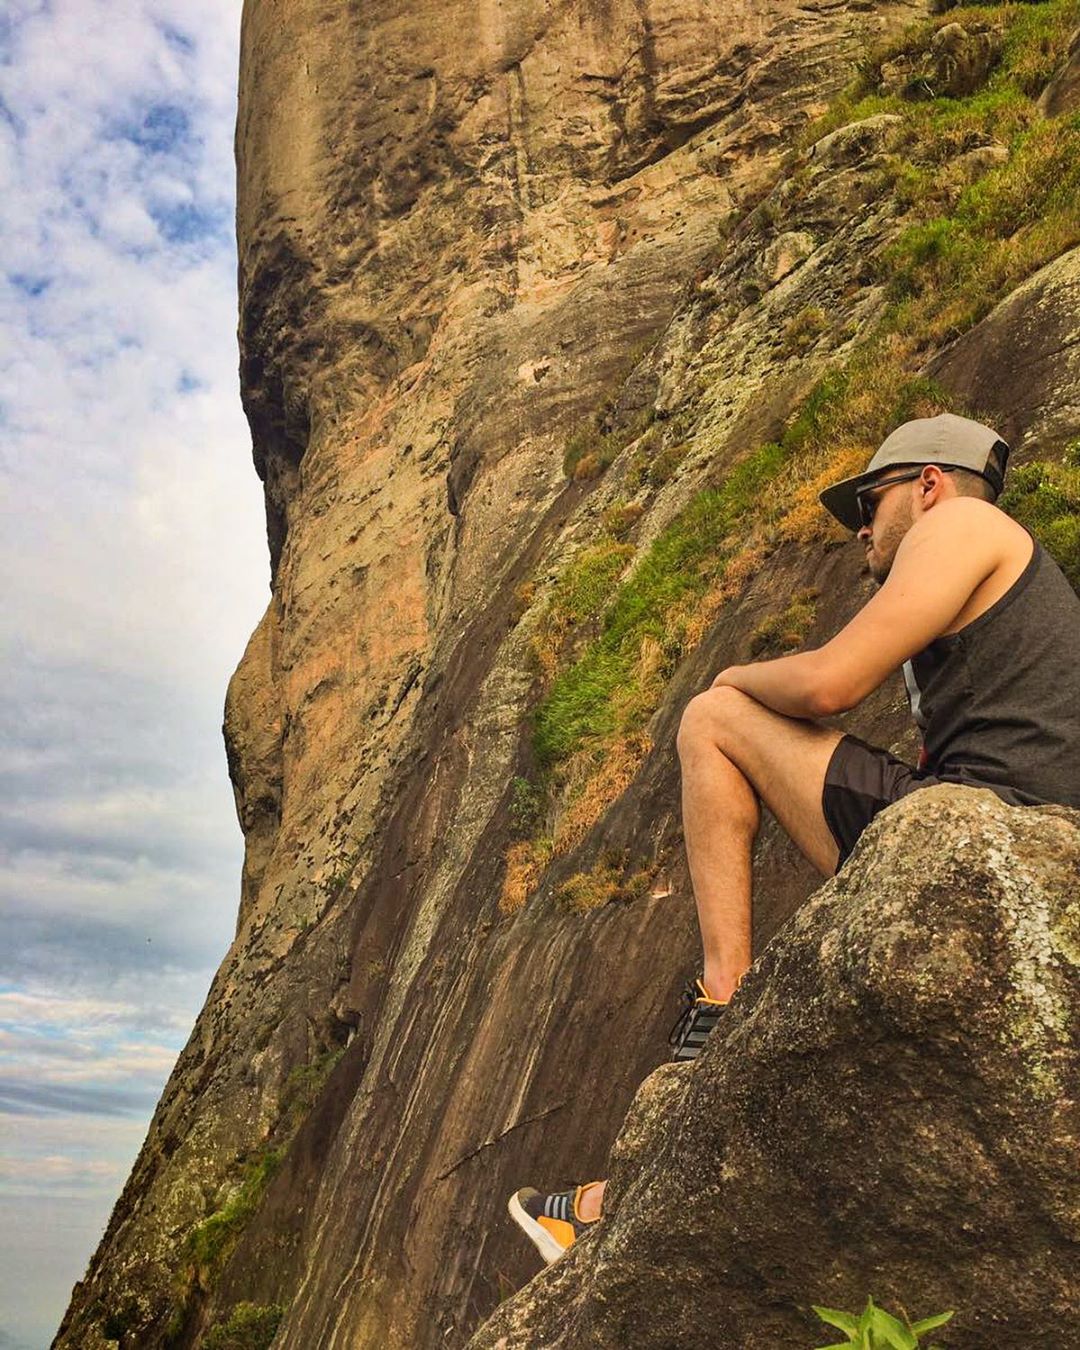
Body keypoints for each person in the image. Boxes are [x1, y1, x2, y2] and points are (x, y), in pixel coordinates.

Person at [507, 412, 1080, 1265]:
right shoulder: (992, 574)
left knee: (712, 718)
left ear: (927, 484)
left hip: (984, 828)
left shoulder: (963, 523)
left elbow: (832, 684)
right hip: (978, 821)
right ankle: (614, 1199)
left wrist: (731, 678)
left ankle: (719, 1002)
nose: (860, 525)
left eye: (870, 499)